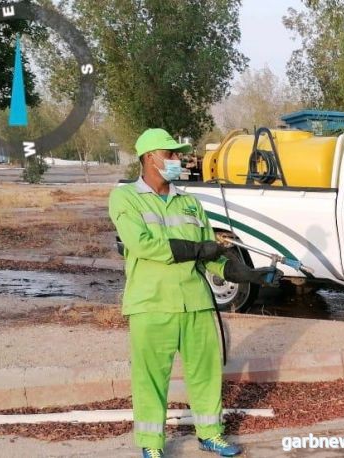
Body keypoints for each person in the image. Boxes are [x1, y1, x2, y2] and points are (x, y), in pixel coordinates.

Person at [108, 128, 282, 458]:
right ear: (149, 158)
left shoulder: (190, 203)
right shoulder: (125, 197)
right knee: (150, 378)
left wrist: (247, 274)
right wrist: (200, 247)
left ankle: (210, 434)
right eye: (171, 154)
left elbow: (211, 256)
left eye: (177, 154)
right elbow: (144, 244)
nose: (177, 160)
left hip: (197, 303)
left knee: (206, 373)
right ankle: (152, 444)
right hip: (151, 304)